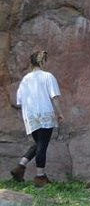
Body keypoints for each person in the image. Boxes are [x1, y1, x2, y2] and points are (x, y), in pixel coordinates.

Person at [11, 51, 64, 187]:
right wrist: (60, 113)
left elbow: (19, 101)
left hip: (30, 116)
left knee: (38, 144)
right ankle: (40, 177)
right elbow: (55, 97)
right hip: (45, 114)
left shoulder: (25, 79)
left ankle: (20, 167)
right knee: (42, 146)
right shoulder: (48, 76)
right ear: (42, 62)